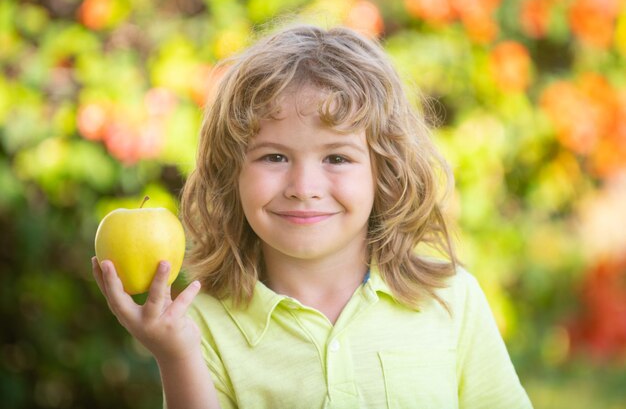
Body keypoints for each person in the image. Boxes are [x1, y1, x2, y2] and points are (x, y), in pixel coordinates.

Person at [92, 24, 533, 409]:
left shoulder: (450, 300)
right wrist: (176, 356)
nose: (304, 186)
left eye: (337, 158)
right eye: (275, 156)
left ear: (385, 173)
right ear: (232, 174)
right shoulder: (200, 324)